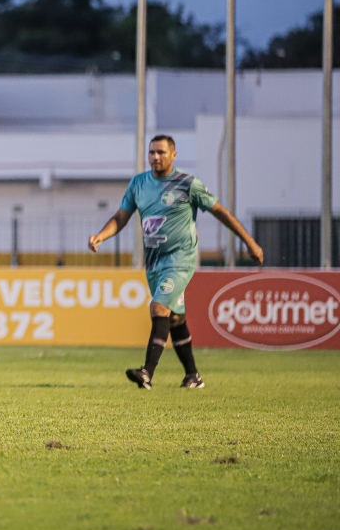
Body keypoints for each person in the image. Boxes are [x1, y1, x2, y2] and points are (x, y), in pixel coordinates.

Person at [88, 134, 263, 389]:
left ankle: (147, 373)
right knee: (174, 319)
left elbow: (221, 212)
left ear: (173, 155)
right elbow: (121, 216)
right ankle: (193, 376)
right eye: (152, 152)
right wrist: (101, 236)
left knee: (159, 307)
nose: (155, 157)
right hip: (154, 263)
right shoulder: (139, 183)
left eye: (161, 152)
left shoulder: (188, 183)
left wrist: (249, 242)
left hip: (181, 259)